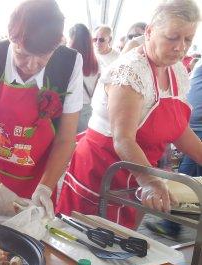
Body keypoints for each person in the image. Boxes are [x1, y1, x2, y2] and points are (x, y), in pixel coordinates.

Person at [58, 0, 202, 230]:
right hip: (103, 171)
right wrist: (150, 181)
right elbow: (123, 139)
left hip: (137, 172)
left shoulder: (176, 71)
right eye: (172, 37)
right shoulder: (131, 71)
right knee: (88, 242)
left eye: (188, 40)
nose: (180, 47)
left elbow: (179, 129)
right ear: (150, 32)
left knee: (123, 243)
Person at [0, 0, 83, 218]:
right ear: (11, 38)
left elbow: (66, 139)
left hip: (37, 183)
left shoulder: (69, 64)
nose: (31, 65)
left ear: (57, 45)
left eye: (42, 56)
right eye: (23, 54)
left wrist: (46, 187)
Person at [146, 59, 202, 239]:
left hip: (192, 135)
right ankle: (171, 225)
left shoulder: (181, 71)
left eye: (187, 40)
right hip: (192, 134)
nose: (180, 47)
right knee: (185, 181)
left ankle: (171, 225)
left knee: (186, 182)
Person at [68, 24, 99, 132]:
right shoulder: (97, 64)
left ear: (72, 40)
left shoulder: (68, 61)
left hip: (68, 110)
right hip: (87, 113)